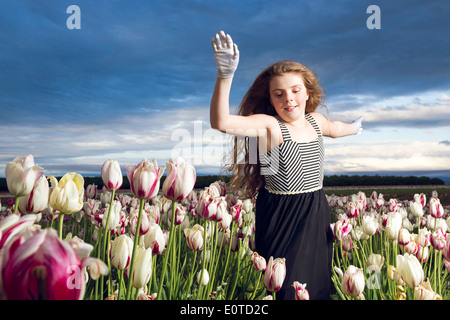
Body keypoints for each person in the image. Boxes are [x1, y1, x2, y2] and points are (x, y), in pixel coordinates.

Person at [209, 31, 363, 300]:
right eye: (278, 94)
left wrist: (354, 128)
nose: (288, 98)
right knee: (285, 285)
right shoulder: (271, 127)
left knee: (315, 284)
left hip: (315, 208)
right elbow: (221, 122)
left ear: (307, 93)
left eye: (295, 90)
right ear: (270, 100)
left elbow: (335, 128)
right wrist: (225, 75)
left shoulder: (315, 121)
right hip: (282, 213)